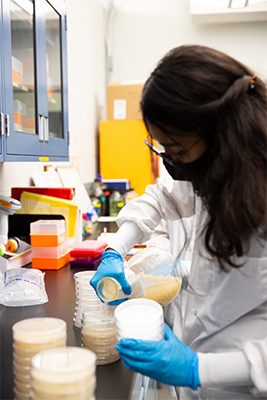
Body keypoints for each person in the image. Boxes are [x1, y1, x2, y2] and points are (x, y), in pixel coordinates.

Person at [90, 44, 267, 399]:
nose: (173, 162)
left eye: (178, 150)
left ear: (222, 133)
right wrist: (115, 249)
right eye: (163, 150)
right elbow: (160, 197)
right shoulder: (216, 170)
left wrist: (197, 368)